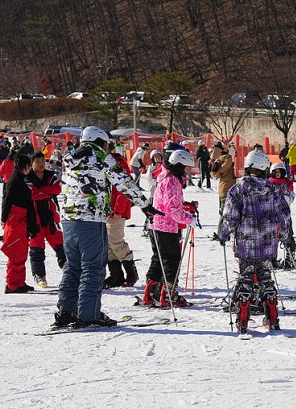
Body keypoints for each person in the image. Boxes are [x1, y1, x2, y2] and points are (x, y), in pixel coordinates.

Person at [54, 127, 151, 328]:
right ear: (100, 141)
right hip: (91, 219)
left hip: (68, 219)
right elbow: (123, 182)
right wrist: (146, 205)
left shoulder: (71, 156)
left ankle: (66, 311)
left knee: (73, 267)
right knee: (93, 267)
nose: (108, 147)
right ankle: (89, 315)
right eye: (107, 143)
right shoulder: (101, 157)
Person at [217, 150, 292, 335]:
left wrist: (223, 234)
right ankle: (272, 316)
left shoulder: (238, 188)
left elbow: (229, 216)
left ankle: (243, 317)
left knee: (246, 278)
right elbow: (284, 214)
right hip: (267, 245)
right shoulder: (272, 188)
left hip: (245, 246)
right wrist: (284, 235)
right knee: (266, 277)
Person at [143, 150, 197, 308]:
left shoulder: (165, 177)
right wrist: (189, 219)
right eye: (187, 168)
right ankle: (168, 295)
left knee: (159, 259)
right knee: (171, 260)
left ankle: (150, 292)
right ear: (179, 166)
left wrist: (186, 208)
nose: (188, 171)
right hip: (165, 226)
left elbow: (169, 204)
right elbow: (173, 210)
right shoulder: (172, 181)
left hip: (156, 224)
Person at [102, 148, 141, 288]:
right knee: (108, 245)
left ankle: (131, 273)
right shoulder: (102, 162)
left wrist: (118, 209)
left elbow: (124, 187)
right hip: (104, 211)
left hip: (115, 211)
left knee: (116, 241)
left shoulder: (118, 163)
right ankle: (116, 275)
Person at [26, 152, 66, 288]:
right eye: (37, 161)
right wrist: (46, 192)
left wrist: (41, 191)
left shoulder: (51, 176)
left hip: (51, 218)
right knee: (36, 249)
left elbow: (57, 189)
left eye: (43, 160)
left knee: (61, 247)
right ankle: (39, 276)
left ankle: (69, 272)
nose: (41, 163)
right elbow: (32, 193)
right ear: (32, 164)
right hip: (34, 219)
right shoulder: (27, 177)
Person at [0, 154, 38, 293]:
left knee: (21, 253)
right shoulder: (15, 180)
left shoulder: (20, 179)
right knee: (16, 253)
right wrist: (4, 219)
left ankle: (19, 282)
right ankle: (12, 284)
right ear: (26, 166)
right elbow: (7, 201)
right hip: (16, 220)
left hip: (20, 220)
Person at [269, 162, 296, 267]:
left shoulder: (287, 183)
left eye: (279, 172)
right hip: (271, 215)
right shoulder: (268, 183)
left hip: (284, 215)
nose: (277, 174)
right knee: (271, 237)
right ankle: (271, 259)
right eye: (275, 172)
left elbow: (291, 196)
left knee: (288, 235)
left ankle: (290, 257)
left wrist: (281, 200)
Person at [211, 144, 236, 215]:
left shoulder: (216, 163)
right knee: (226, 214)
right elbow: (229, 158)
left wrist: (216, 163)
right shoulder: (226, 158)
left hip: (222, 190)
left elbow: (214, 174)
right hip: (228, 189)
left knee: (223, 213)